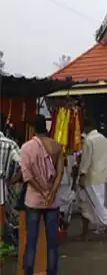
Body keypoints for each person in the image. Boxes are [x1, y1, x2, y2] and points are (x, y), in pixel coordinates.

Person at [19, 114, 64, 275]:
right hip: (52, 202)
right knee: (52, 242)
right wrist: (51, 193)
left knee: (31, 240)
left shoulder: (26, 148)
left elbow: (27, 176)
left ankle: (28, 272)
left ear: (32, 128)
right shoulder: (57, 146)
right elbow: (60, 174)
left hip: (33, 201)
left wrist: (42, 191)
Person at [78, 116, 107, 239]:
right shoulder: (103, 139)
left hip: (91, 176)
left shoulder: (89, 140)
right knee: (95, 202)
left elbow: (86, 159)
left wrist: (82, 174)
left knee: (95, 202)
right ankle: (97, 228)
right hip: (102, 174)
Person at [0, 113, 22, 248]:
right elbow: (24, 165)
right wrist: (13, 180)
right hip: (2, 185)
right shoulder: (10, 144)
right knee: (1, 216)